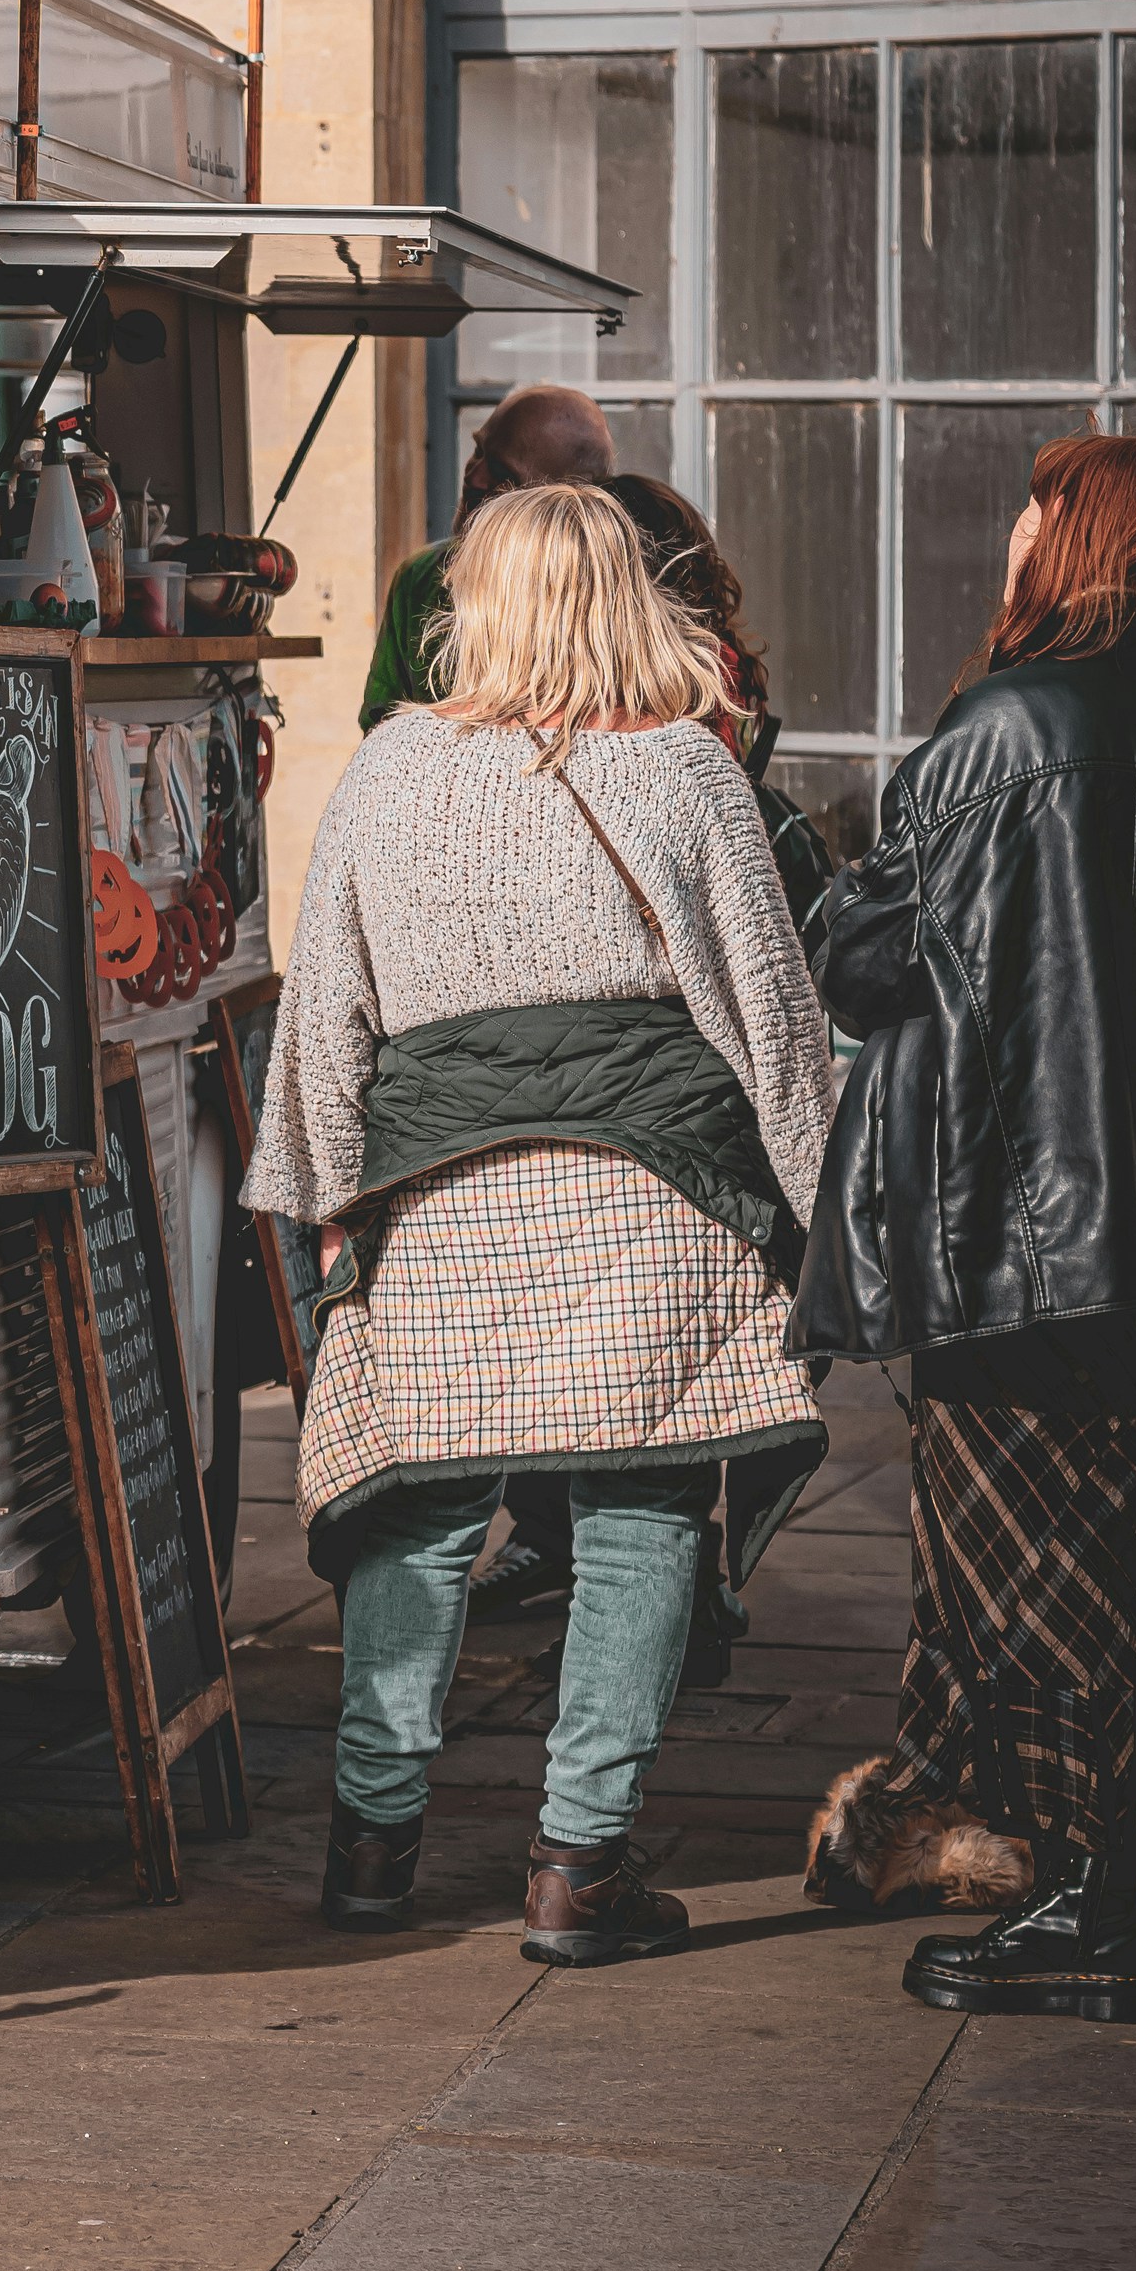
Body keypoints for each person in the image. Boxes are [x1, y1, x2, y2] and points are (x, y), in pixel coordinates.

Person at [251, 484, 839, 1963]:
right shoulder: (689, 776)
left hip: (442, 1194)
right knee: (641, 1511)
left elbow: (322, 1009)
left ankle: (372, 1848)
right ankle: (580, 1867)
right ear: (636, 601)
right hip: (656, 1197)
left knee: (419, 1506)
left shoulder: (387, 771)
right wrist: (829, 1210)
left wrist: (324, 1209)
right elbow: (772, 1020)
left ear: (478, 604)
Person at [800, 431, 1136, 2026]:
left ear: (1071, 543)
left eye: (1030, 509)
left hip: (1014, 1221)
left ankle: (1087, 1905)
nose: (1007, 532)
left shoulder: (1003, 723)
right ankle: (1097, 1832)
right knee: (1121, 1537)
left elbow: (866, 960)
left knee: (1038, 1571)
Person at [476, 470, 838, 1652]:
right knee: (669, 1356)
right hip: (677, 1083)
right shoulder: (706, 703)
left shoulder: (672, 726)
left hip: (627, 1065)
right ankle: (650, 1569)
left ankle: (612, 1555)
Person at [360, 383, 612, 731]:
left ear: (564, 496)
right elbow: (380, 723)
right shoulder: (420, 578)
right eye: (477, 451)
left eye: (503, 473)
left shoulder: (611, 590)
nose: (474, 477)